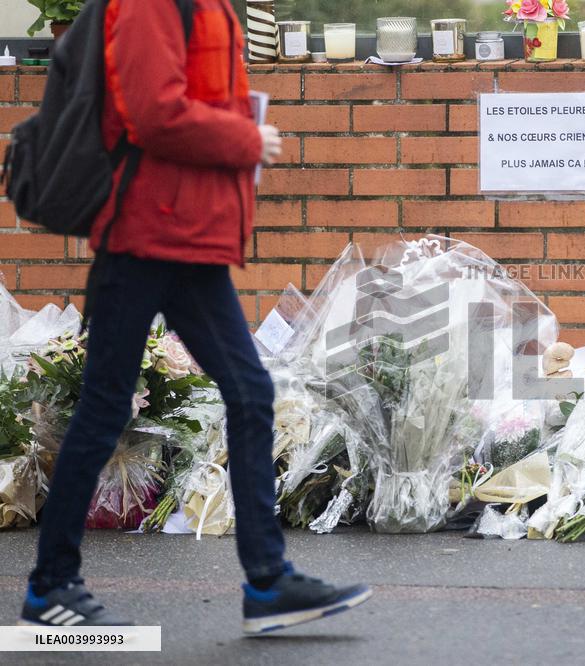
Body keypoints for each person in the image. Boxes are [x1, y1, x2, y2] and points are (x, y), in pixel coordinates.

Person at [19, 0, 370, 634]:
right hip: (142, 236)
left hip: (189, 241)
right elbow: (153, 113)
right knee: (105, 406)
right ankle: (51, 586)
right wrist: (244, 138)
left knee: (250, 391)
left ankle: (268, 582)